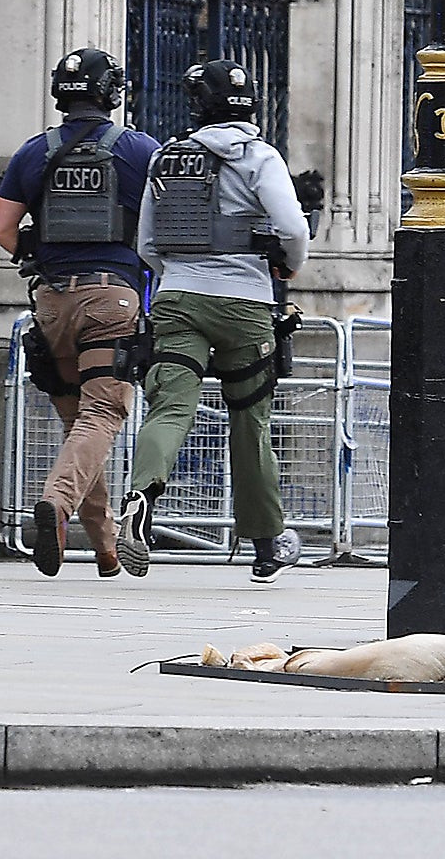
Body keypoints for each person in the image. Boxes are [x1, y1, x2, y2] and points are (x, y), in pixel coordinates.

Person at [121, 60, 310, 583]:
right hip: (245, 303)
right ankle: (267, 544)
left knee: (170, 409)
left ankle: (140, 497)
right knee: (250, 420)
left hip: (178, 296)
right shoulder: (259, 157)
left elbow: (147, 245)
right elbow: (292, 226)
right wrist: (290, 265)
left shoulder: (166, 157)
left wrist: (179, 273)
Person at [0, 47, 159, 578]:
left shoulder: (33, 153)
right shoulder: (139, 150)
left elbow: (0, 230)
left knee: (79, 422)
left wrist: (35, 255)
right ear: (112, 92)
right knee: (103, 414)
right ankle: (57, 506)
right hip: (113, 298)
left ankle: (104, 548)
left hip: (52, 300)